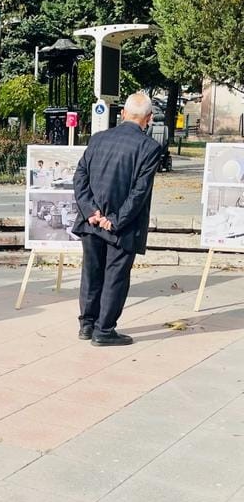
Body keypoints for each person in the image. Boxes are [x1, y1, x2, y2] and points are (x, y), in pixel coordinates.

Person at [72, 91, 164, 346]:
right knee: (115, 277)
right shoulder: (149, 148)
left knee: (91, 273)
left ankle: (87, 326)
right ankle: (104, 330)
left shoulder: (98, 139)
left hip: (91, 223)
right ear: (148, 118)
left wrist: (91, 212)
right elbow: (139, 192)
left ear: (122, 113)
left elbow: (80, 178)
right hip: (121, 227)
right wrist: (115, 220)